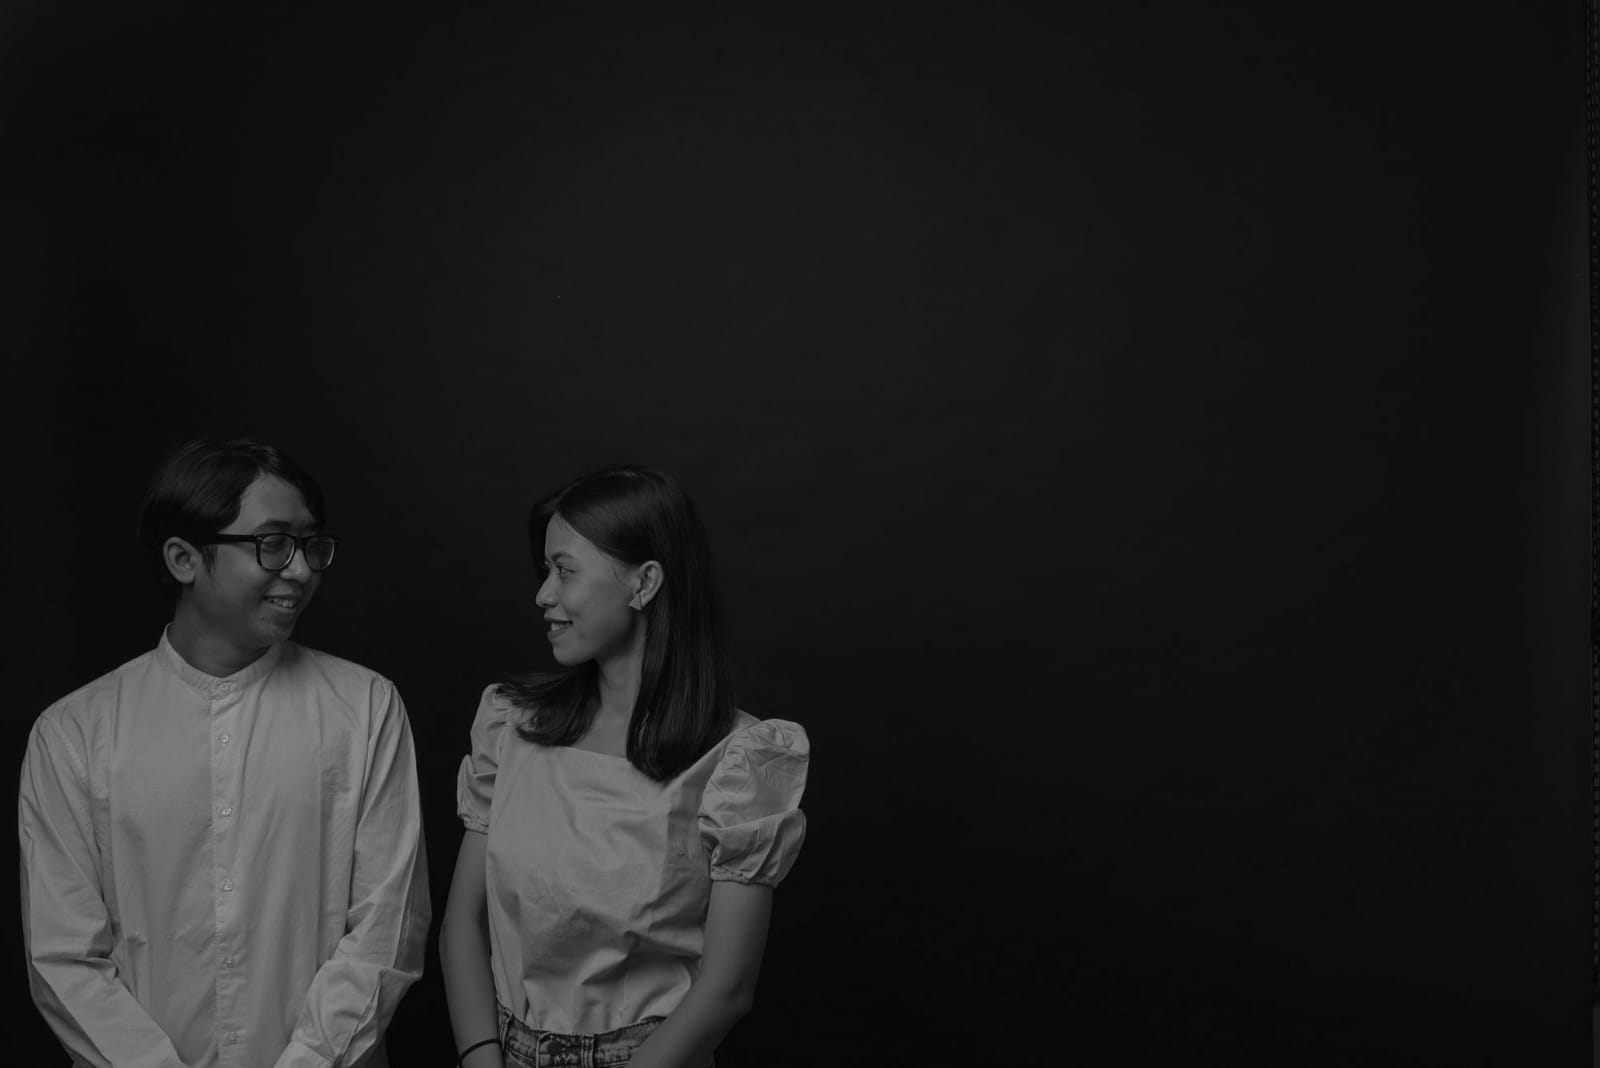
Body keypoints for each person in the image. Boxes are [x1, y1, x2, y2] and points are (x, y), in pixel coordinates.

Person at [18, 437, 431, 1068]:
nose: (300, 570)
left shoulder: (366, 708)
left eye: (310, 545)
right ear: (184, 558)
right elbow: (65, 957)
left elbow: (387, 931)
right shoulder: (74, 733)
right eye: (273, 543)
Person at [440, 465, 809, 1068]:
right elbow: (464, 918)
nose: (543, 595)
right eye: (544, 570)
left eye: (565, 570)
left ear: (645, 583)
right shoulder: (511, 726)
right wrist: (480, 1056)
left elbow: (727, 988)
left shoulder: (739, 757)